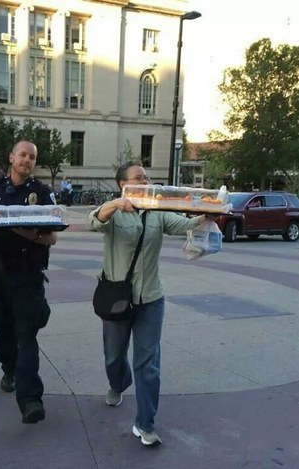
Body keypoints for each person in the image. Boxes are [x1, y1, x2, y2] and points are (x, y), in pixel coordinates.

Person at [88, 161, 215, 446]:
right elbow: (94, 220)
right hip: (117, 298)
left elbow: (184, 224)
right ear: (123, 184)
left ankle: (145, 424)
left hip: (151, 299)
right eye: (137, 177)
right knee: (114, 356)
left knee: (148, 364)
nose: (144, 180)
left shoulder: (157, 212)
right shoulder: (115, 211)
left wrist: (206, 215)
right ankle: (118, 383)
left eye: (146, 177)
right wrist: (117, 205)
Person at [0, 140, 58, 424]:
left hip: (28, 275)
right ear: (11, 157)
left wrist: (33, 237)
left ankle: (31, 399)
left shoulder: (42, 193)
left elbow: (53, 236)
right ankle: (8, 367)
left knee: (27, 334)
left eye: (32, 156)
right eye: (22, 154)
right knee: (3, 328)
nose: (27, 160)